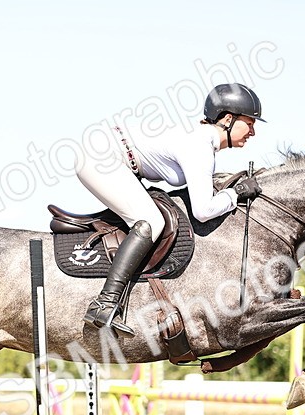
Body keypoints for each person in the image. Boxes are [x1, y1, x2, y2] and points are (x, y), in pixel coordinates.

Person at [78, 83, 265, 330]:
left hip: (110, 155)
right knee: (151, 222)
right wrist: (236, 193)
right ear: (228, 119)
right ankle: (105, 302)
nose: (253, 132)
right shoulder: (200, 145)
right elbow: (203, 211)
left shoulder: (201, 139)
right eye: (249, 123)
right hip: (102, 157)